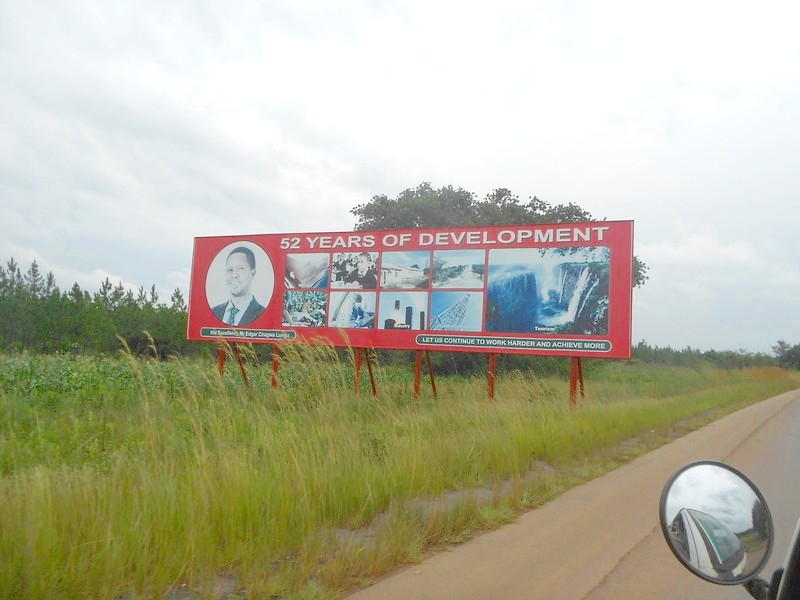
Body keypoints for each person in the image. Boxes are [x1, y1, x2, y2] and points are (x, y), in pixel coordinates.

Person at [212, 246, 267, 326]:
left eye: (241, 268)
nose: (234, 275)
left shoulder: (264, 314)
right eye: (230, 270)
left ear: (252, 273)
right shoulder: (214, 312)